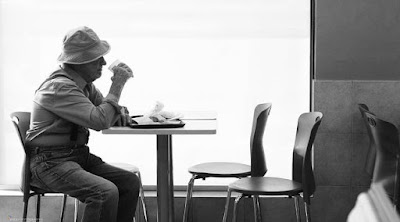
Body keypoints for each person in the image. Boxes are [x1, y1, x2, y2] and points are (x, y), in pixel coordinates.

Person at [25, 26, 139, 222]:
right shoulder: (59, 87)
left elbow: (105, 111)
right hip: (50, 163)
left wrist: (119, 112)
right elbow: (100, 121)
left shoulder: (84, 86)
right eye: (96, 57)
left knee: (129, 182)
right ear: (79, 61)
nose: (103, 62)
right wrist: (117, 84)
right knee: (105, 192)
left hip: (76, 156)